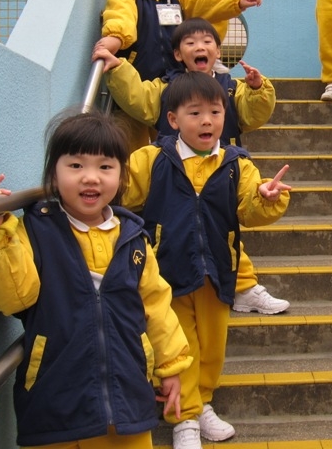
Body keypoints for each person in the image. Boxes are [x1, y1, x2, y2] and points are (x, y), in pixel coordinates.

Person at [0, 112, 192, 449]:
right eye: (75, 165)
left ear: (121, 175)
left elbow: (157, 307)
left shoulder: (133, 238)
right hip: (55, 403)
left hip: (128, 400)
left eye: (105, 167)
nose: (91, 178)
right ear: (53, 175)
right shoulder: (35, 231)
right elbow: (12, 296)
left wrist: (171, 367)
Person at [121, 72, 291, 449]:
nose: (207, 121)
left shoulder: (236, 163)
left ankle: (203, 403)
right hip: (167, 274)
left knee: (213, 347)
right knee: (179, 346)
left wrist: (267, 197)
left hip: (217, 272)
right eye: (195, 113)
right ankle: (184, 419)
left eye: (215, 112)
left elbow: (249, 209)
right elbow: (122, 193)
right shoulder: (152, 159)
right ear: (173, 119)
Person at [92, 18, 290, 316]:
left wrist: (257, 90)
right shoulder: (166, 89)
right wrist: (119, 68)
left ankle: (243, 287)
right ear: (177, 54)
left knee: (222, 233)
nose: (200, 47)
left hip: (219, 170)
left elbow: (252, 116)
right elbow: (139, 99)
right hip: (176, 172)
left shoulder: (231, 89)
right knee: (185, 232)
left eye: (207, 41)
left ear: (218, 51)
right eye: (191, 42)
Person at [94, 0, 263, 149]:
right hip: (136, 79)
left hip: (172, 83)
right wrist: (116, 38)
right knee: (132, 143)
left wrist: (237, 0)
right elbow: (121, 15)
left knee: (172, 139)